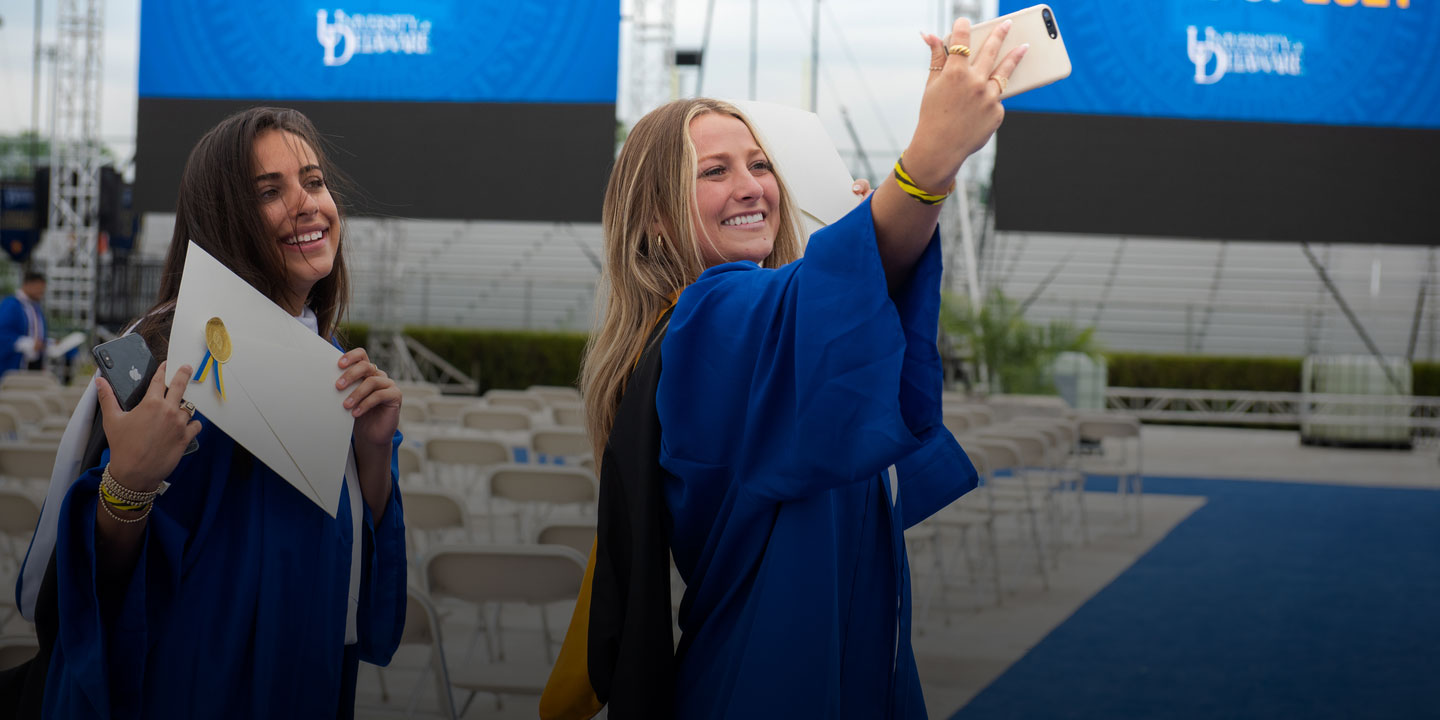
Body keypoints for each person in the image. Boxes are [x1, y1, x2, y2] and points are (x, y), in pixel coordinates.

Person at [541, 18, 1027, 719]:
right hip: (766, 679)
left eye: (760, 165)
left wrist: (869, 240)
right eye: (714, 171)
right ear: (653, 220)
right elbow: (810, 304)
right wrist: (930, 159)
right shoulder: (703, 321)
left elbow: (842, 350)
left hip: (833, 659)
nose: (752, 187)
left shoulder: (761, 320)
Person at [11, 107, 407, 719]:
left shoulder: (327, 361)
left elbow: (349, 560)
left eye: (314, 181)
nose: (308, 204)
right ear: (224, 217)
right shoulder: (164, 357)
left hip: (306, 672)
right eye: (270, 192)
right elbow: (101, 590)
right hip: (192, 682)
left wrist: (372, 452)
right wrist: (128, 484)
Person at [0, 271, 49, 377]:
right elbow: (3, 333)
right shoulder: (11, 304)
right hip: (13, 366)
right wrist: (29, 344)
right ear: (28, 285)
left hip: (33, 365)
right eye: (39, 288)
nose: (41, 292)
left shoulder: (35, 307)